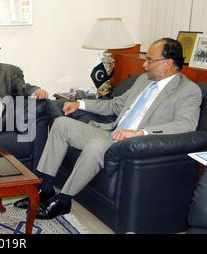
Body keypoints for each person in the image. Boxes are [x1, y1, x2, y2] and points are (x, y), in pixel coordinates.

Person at [14, 38, 202, 219]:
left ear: (168, 63)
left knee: (96, 145)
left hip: (134, 144)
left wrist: (140, 133)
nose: (145, 64)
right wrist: (80, 104)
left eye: (150, 60)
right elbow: (115, 105)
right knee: (62, 123)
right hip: (111, 133)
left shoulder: (188, 90)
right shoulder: (143, 81)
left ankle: (63, 200)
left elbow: (185, 125)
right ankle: (45, 188)